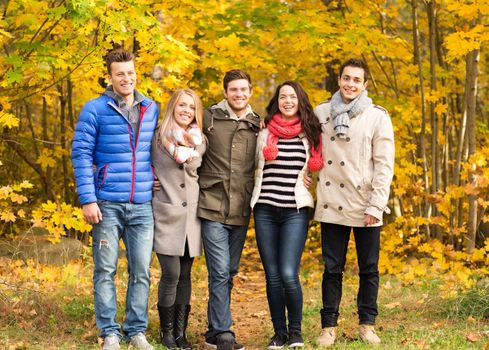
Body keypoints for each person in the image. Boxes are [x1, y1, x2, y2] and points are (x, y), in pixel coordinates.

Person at [71, 49, 158, 350]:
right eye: (120, 73)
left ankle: (136, 331)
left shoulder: (151, 108)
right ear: (110, 76)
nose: (126, 78)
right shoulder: (94, 109)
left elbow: (156, 149)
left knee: (142, 270)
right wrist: (88, 198)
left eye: (130, 72)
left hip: (142, 205)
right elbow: (81, 154)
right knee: (105, 270)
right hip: (106, 203)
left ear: (136, 74)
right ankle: (109, 331)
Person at [313, 58, 395, 347]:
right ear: (339, 79)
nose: (350, 84)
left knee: (368, 268)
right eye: (346, 78)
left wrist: (376, 205)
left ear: (365, 84)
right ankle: (328, 327)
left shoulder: (377, 116)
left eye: (356, 80)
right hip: (332, 201)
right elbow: (299, 137)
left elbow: (384, 164)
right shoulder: (321, 112)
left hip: (365, 203)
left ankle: (367, 324)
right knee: (332, 268)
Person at [250, 81, 323, 349]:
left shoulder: (310, 132)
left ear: (300, 100)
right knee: (272, 275)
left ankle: (295, 332)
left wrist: (312, 177)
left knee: (288, 273)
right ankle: (278, 333)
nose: (288, 100)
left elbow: (320, 163)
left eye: (292, 96)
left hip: (295, 210)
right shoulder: (264, 130)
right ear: (277, 101)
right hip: (265, 209)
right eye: (283, 96)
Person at [198, 70, 261, 350]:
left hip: (240, 207)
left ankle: (213, 331)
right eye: (233, 89)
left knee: (229, 271)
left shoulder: (257, 124)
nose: (238, 94)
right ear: (225, 92)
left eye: (243, 90)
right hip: (212, 204)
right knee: (220, 271)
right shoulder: (208, 118)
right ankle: (224, 333)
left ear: (250, 92)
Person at [151, 89, 205, 350]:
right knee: (170, 273)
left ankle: (181, 334)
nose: (186, 110)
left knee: (185, 274)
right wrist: (146, 180)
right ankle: (166, 332)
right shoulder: (158, 137)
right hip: (165, 212)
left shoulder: (199, 140)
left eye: (192, 107)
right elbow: (141, 164)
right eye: (182, 105)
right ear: (173, 106)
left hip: (191, 216)